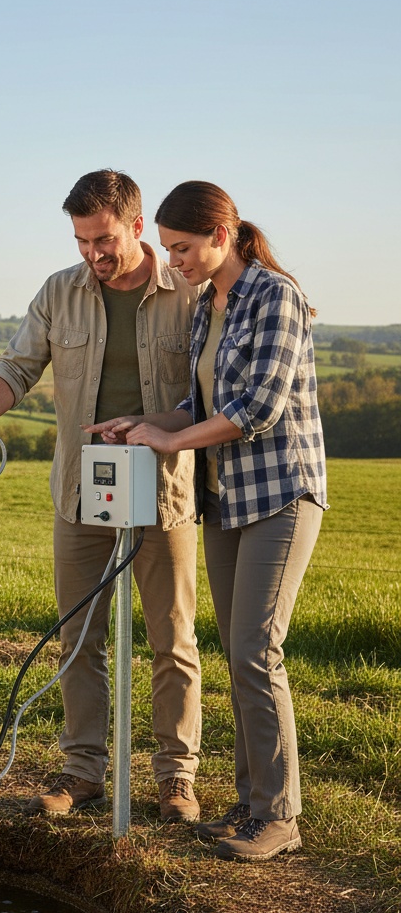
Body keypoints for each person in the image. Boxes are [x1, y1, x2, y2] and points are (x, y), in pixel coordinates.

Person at [0, 169, 204, 821]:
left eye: (104, 239)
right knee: (77, 639)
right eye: (83, 241)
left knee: (172, 640)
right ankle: (83, 772)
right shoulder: (61, 292)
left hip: (163, 493)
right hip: (80, 492)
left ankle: (176, 781)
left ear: (138, 227)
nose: (94, 254)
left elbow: (215, 387)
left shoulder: (188, 295)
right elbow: (16, 367)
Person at [97, 180, 327, 861]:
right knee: (237, 653)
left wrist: (169, 443)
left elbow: (257, 409)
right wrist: (143, 424)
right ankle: (253, 806)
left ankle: (279, 816)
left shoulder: (274, 296)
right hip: (227, 498)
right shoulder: (207, 306)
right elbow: (197, 406)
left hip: (281, 494)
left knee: (258, 651)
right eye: (168, 250)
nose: (175, 262)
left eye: (184, 248)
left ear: (222, 235)